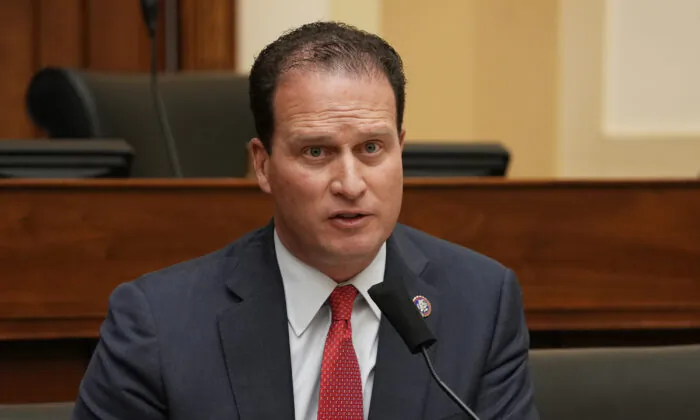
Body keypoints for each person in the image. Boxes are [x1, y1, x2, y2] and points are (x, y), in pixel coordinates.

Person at [71, 21, 539, 420]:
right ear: (262, 164)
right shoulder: (158, 323)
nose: (351, 183)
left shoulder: (481, 304)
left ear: (401, 149)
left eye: (372, 149)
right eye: (317, 152)